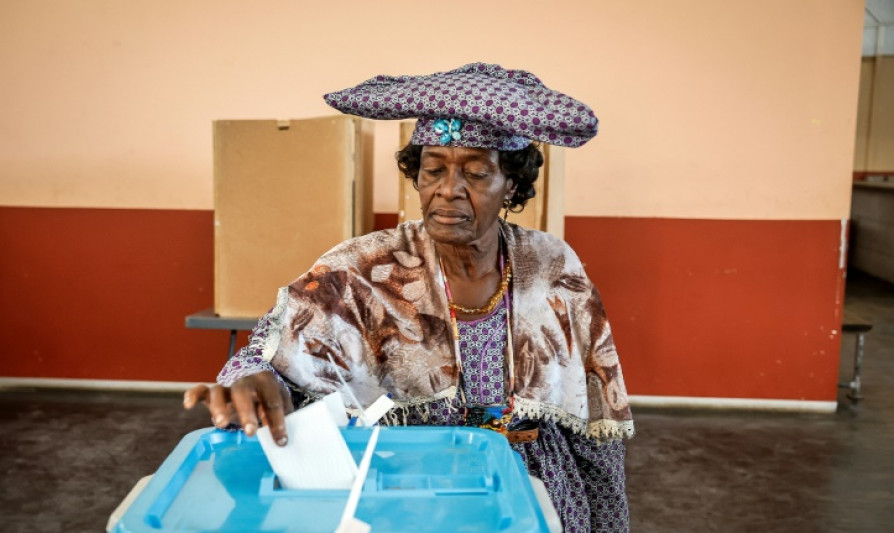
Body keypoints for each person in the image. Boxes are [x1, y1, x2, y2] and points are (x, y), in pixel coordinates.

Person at [184, 63, 634, 532]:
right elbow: (273, 352)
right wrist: (256, 378)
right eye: (432, 169)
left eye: (476, 173)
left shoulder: (552, 265)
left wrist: (608, 524)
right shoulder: (362, 268)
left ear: (513, 185)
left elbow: (598, 422)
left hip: (534, 491)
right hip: (409, 491)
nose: (447, 190)